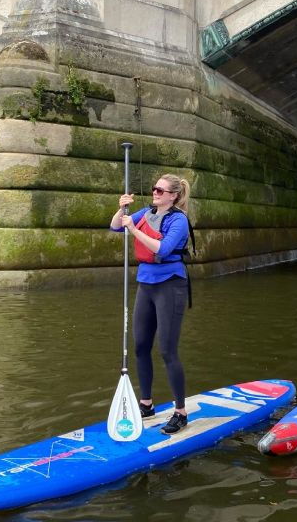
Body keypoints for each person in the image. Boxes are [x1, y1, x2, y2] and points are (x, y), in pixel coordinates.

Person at [110, 174, 192, 435]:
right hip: (146, 283)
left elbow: (163, 248)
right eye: (153, 188)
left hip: (170, 284)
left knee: (167, 350)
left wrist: (133, 229)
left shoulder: (178, 220)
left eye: (160, 190)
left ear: (173, 196)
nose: (155, 192)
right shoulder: (147, 212)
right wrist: (121, 208)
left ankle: (180, 412)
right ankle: (146, 404)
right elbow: (115, 227)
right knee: (140, 347)